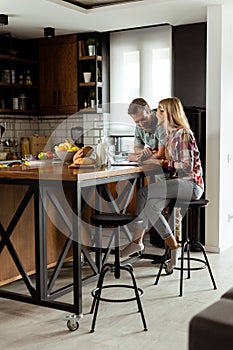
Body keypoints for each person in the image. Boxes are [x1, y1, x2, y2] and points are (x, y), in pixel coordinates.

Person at [121, 97, 204, 271]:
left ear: (168, 113)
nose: (155, 113)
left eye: (159, 110)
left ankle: (137, 241)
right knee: (152, 207)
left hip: (191, 185)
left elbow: (186, 167)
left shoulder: (183, 134)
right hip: (178, 183)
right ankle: (174, 248)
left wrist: (161, 163)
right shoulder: (171, 135)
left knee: (144, 193)